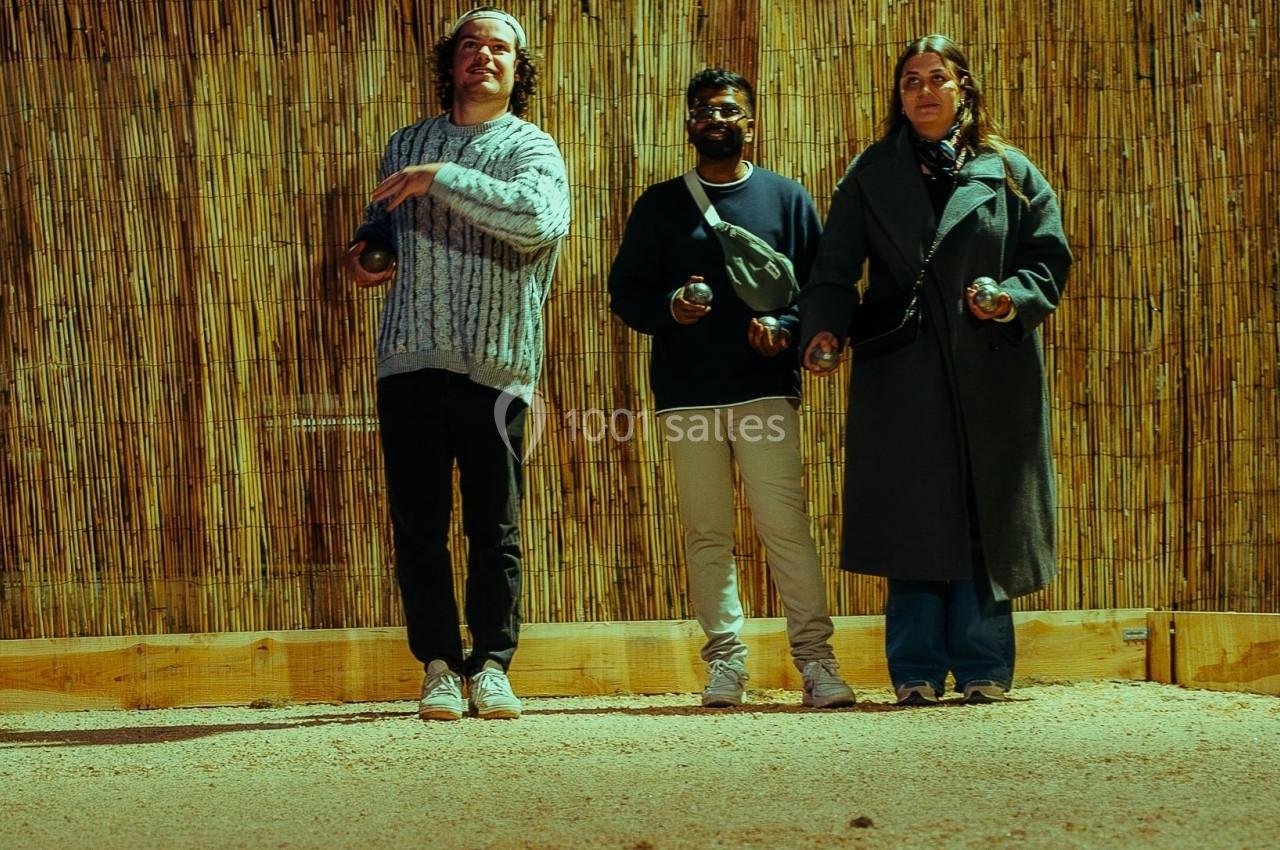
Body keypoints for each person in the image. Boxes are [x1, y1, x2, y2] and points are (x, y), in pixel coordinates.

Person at [799, 34, 1071, 705]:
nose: (923, 90)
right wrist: (825, 331)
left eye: (936, 78)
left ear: (964, 89)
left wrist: (1012, 298)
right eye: (910, 81)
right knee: (911, 516)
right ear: (900, 97)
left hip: (991, 367)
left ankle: (983, 667)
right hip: (903, 369)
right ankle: (915, 669)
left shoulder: (1008, 171)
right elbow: (834, 271)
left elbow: (1049, 258)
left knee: (986, 515)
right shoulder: (870, 174)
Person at [346, 7, 570, 721]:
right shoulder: (403, 143)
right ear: (450, 62)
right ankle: (440, 665)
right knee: (418, 524)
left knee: (494, 526)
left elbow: (536, 222)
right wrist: (366, 254)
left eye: (501, 48)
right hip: (411, 356)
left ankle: (494, 665)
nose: (485, 56)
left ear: (518, 69)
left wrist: (441, 177)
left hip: (499, 363)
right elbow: (380, 227)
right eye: (471, 44)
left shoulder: (534, 149)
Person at [609, 68, 855, 709]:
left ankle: (817, 662)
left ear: (751, 122)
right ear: (688, 124)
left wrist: (788, 327)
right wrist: (670, 308)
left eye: (727, 109)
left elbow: (823, 290)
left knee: (786, 529)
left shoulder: (787, 200)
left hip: (764, 391)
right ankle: (725, 663)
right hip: (687, 395)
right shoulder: (660, 206)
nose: (714, 119)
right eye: (701, 111)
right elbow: (625, 293)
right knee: (706, 531)